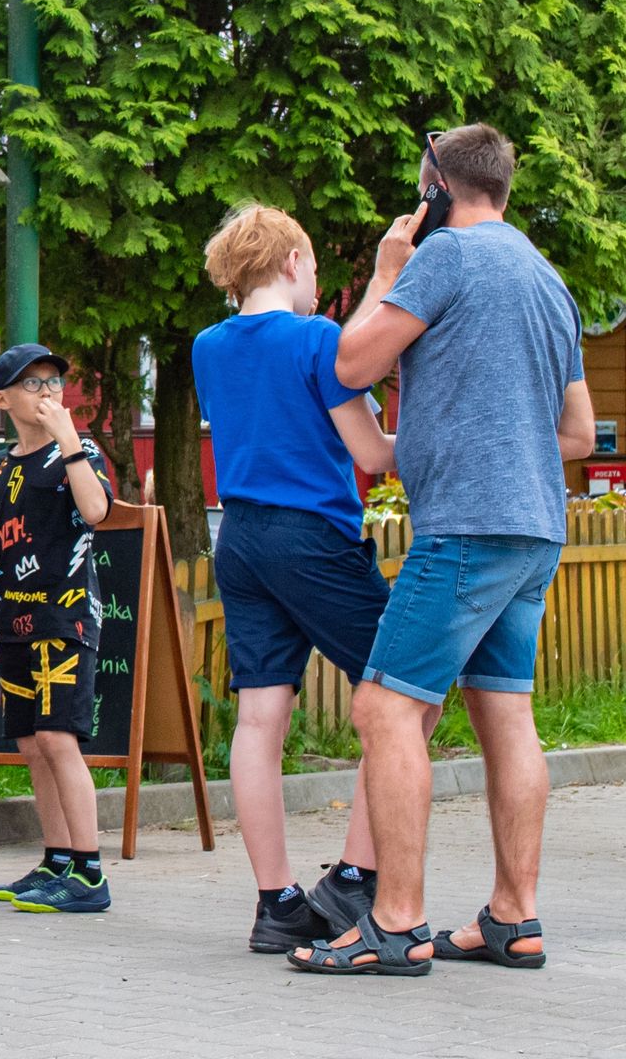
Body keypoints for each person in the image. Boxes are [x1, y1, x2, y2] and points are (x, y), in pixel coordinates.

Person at [296, 124, 595, 977]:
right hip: (536, 525)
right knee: (506, 717)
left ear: (437, 190)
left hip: (464, 525)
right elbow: (577, 432)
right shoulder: (546, 278)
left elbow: (351, 363)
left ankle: (395, 921)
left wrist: (388, 271)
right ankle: (513, 918)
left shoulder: (448, 258)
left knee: (384, 710)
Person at [191, 205, 399, 953]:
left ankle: (276, 902)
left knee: (259, 720)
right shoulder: (318, 341)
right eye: (312, 266)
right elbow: (372, 455)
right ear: (289, 263)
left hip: (239, 536)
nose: (316, 281)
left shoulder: (206, 347)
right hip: (312, 535)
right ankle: (353, 876)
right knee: (403, 694)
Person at [0, 343, 114, 914]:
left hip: (64, 615)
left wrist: (67, 441)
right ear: (5, 398)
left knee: (60, 738)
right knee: (32, 744)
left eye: (53, 383)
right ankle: (56, 859)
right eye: (32, 384)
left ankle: (89, 873)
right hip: (13, 617)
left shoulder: (80, 450)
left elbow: (96, 512)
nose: (46, 393)